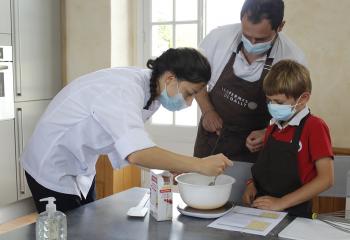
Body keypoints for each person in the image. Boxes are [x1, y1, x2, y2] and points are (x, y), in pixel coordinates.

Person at [21, 48, 233, 213]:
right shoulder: (123, 90)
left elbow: (130, 144)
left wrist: (172, 165)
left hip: (81, 164)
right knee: (68, 229)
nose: (187, 103)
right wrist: (198, 165)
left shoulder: (151, 93)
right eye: (189, 93)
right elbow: (137, 152)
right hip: (51, 164)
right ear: (170, 79)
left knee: (84, 223)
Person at [193, 0, 306, 203]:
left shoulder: (292, 57)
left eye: (260, 38)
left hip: (255, 149)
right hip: (212, 140)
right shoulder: (218, 38)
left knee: (243, 207)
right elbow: (195, 80)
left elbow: (295, 108)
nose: (252, 43)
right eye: (246, 35)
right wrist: (208, 111)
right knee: (203, 202)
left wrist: (268, 131)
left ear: (280, 27)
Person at [242, 60, 334, 217]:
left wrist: (282, 203)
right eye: (269, 101)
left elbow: (326, 179)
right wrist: (252, 185)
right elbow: (266, 168)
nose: (272, 106)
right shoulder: (273, 127)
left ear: (303, 98)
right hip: (264, 209)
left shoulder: (315, 126)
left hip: (295, 212)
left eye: (278, 102)